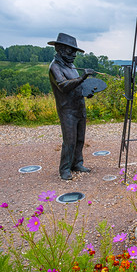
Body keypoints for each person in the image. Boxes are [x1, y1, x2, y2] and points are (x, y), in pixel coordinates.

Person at [48, 33, 94, 180]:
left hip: (79, 106)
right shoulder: (54, 67)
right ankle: (65, 169)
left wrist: (87, 92)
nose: (74, 54)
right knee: (70, 141)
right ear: (59, 49)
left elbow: (77, 86)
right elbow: (63, 86)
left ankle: (77, 163)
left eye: (75, 51)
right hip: (67, 110)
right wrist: (82, 77)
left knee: (80, 138)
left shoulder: (71, 66)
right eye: (70, 51)